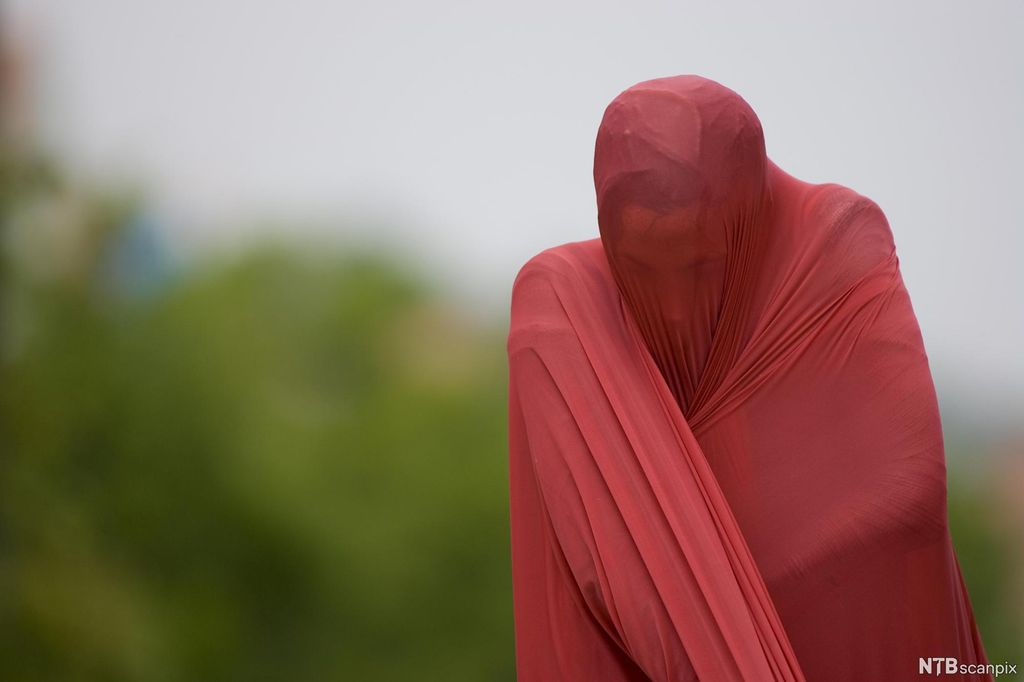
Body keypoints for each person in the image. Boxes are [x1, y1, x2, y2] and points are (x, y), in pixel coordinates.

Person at [507, 75, 990, 681]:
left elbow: (902, 501)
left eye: (702, 264)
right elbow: (605, 573)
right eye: (640, 269)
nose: (674, 310)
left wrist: (712, 567)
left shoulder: (836, 250)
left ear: (753, 220)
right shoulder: (568, 311)